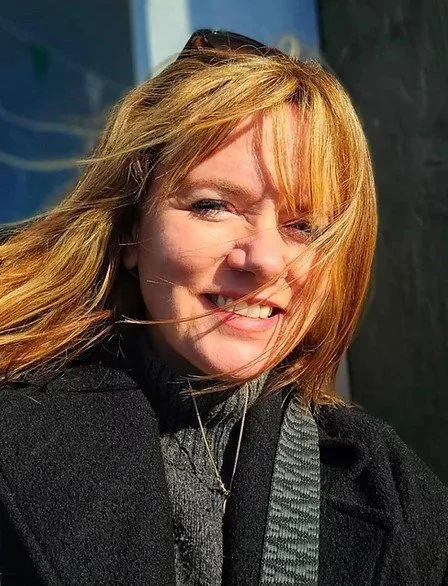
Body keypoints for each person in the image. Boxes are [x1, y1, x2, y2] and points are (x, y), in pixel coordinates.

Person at [0, 29, 447, 586]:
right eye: (214, 206)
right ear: (132, 229)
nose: (265, 259)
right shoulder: (18, 433)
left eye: (303, 226)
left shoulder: (391, 492)